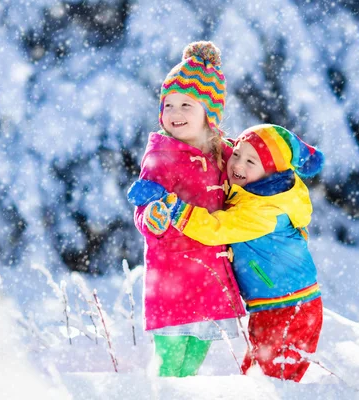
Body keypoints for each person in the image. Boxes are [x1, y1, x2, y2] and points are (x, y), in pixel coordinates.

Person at [128, 124, 325, 382]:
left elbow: (217, 228)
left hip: (289, 307)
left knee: (266, 383)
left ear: (271, 171)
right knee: (261, 376)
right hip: (276, 304)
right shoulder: (256, 188)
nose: (238, 165)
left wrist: (172, 205)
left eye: (250, 161)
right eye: (237, 154)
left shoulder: (265, 211)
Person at [132, 40, 245, 378]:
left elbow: (248, 178)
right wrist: (151, 217)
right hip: (172, 276)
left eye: (186, 105)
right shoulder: (161, 156)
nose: (175, 113)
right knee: (170, 361)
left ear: (209, 113)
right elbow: (144, 204)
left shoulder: (223, 155)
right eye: (169, 105)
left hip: (208, 276)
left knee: (194, 359)